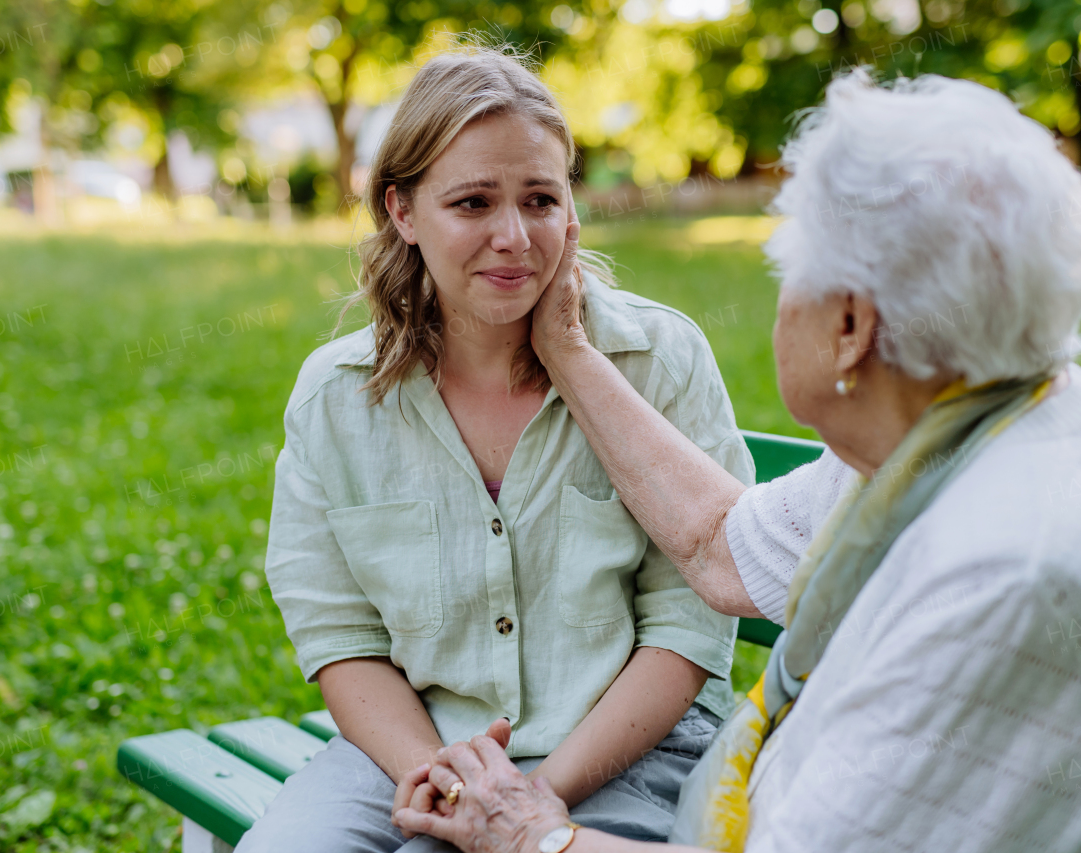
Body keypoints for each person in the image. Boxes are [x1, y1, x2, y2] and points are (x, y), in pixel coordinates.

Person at [392, 70, 1081, 852]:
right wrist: (567, 347)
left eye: (790, 277)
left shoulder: (1005, 575)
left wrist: (532, 831)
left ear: (851, 328)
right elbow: (725, 550)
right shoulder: (974, 421)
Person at [236, 45, 756, 853]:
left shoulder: (658, 364)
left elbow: (687, 629)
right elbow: (341, 636)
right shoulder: (337, 395)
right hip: (408, 748)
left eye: (540, 199)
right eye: (473, 202)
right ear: (402, 211)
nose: (513, 237)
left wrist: (529, 799)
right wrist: (444, 781)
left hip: (625, 749)